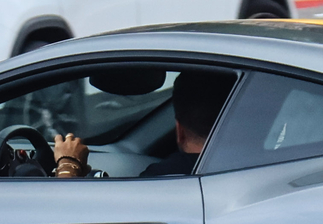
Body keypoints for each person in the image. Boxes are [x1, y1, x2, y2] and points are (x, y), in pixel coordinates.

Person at [51, 70, 234, 177]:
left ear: (179, 131)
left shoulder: (164, 179)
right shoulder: (252, 168)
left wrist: (68, 165)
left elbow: (65, 221)